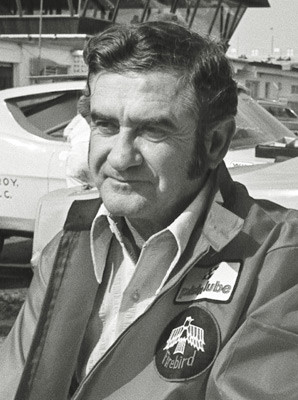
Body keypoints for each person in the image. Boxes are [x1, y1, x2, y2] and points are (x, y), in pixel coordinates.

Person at [1, 21, 298, 400]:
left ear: (216, 142)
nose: (121, 158)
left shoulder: (278, 256)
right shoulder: (69, 247)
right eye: (105, 125)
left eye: (153, 131)